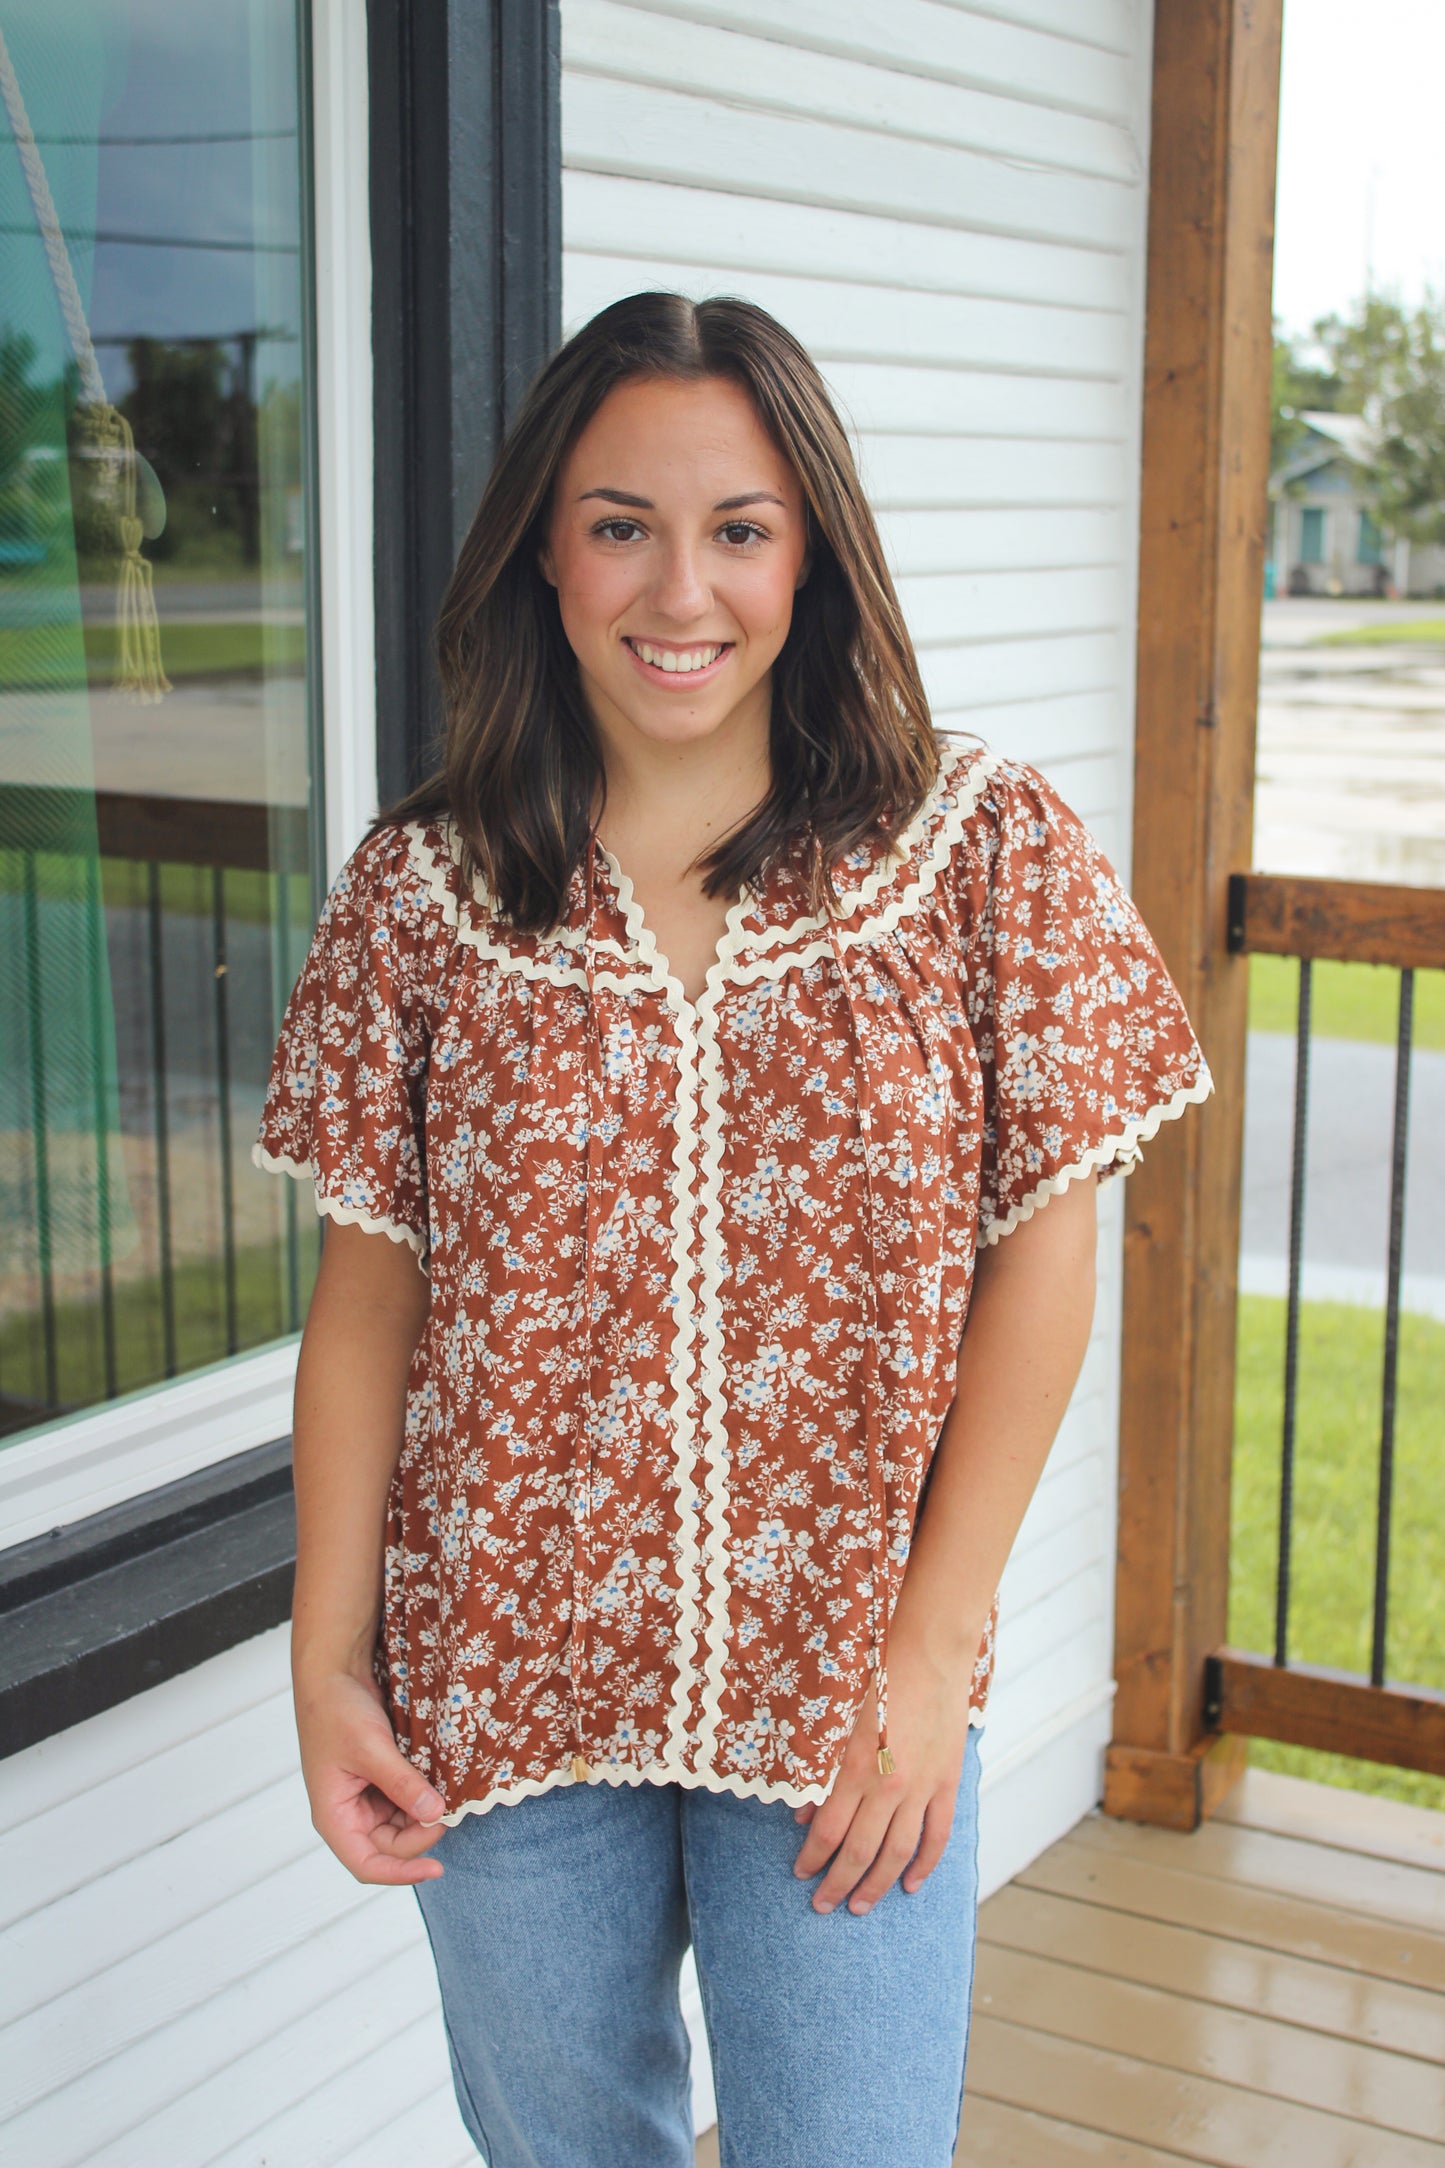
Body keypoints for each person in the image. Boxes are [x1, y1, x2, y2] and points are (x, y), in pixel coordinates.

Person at [253, 291, 1211, 2168]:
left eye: (738, 530)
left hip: (846, 1684)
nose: (676, 590)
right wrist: (326, 1652)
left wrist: (933, 1658)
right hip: (499, 1685)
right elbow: (370, 1299)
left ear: (810, 555)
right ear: (544, 547)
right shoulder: (424, 895)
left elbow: (1046, 1248)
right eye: (620, 523)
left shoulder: (975, 852)